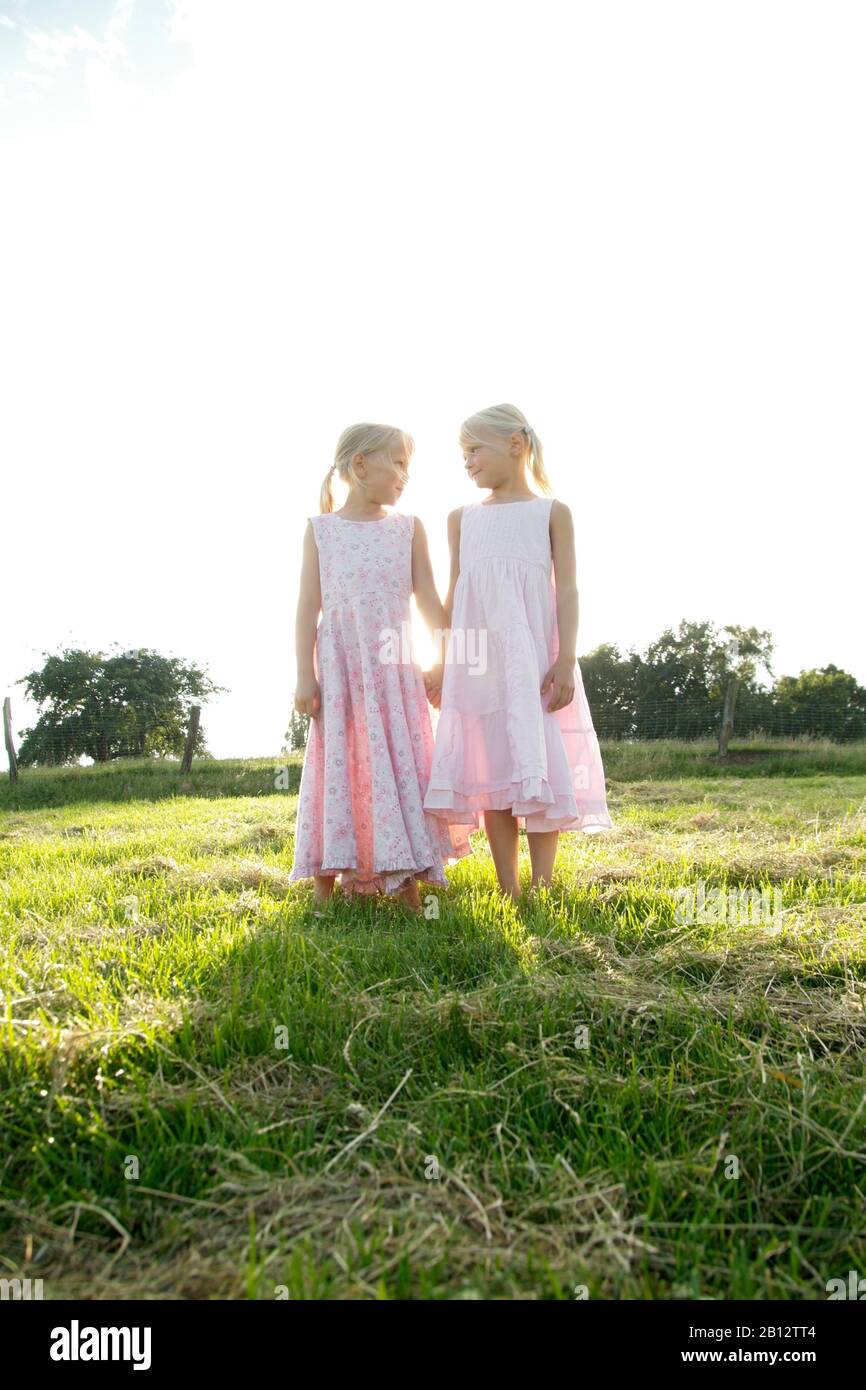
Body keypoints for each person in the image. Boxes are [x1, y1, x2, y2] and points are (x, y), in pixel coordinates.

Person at [423, 403, 612, 899]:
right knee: (493, 768)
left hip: (533, 660)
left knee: (537, 760)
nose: (467, 462)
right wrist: (443, 660)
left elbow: (567, 590)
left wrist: (566, 657)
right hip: (478, 662)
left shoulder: (552, 512)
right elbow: (453, 594)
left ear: (516, 444)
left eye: (474, 450)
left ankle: (543, 884)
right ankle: (508, 887)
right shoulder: (460, 519)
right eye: (462, 454)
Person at [290, 421, 473, 911]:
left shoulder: (408, 529)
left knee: (399, 764)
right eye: (397, 463)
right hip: (342, 669)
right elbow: (308, 607)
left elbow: (431, 604)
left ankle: (405, 877)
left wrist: (448, 661)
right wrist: (305, 675)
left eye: (407, 466)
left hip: (394, 671)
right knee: (339, 763)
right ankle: (327, 884)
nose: (404, 475)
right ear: (360, 465)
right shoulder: (321, 531)